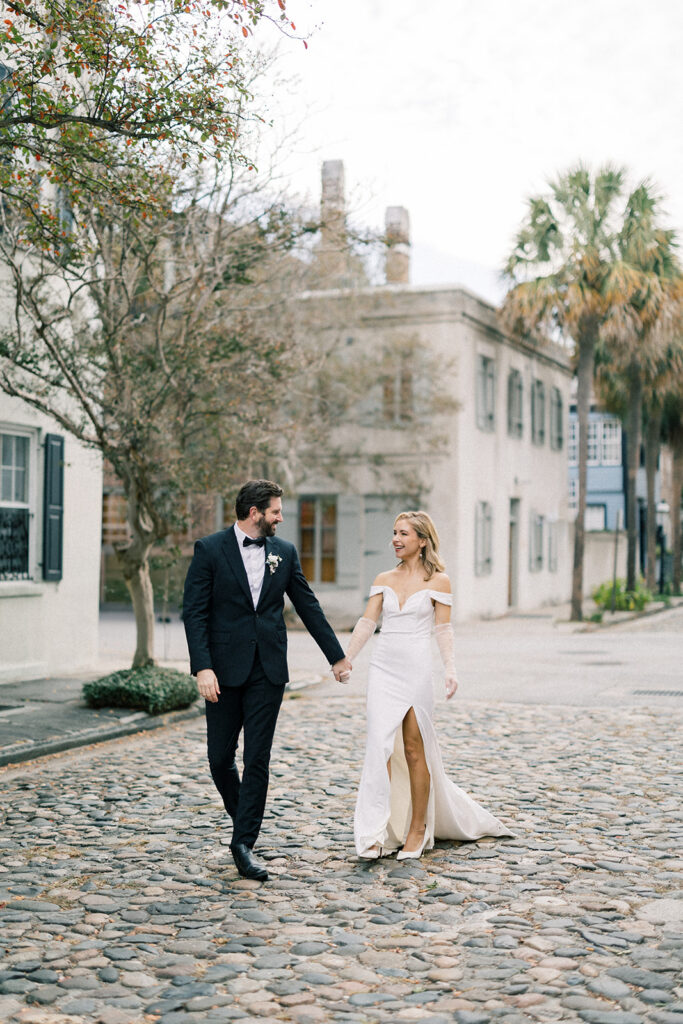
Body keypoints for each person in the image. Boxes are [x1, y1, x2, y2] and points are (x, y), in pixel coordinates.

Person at [183, 479, 351, 881]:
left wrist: (337, 656)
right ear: (255, 512)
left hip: (268, 670)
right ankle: (244, 814)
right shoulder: (210, 549)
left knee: (257, 757)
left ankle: (243, 842)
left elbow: (307, 605)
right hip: (222, 671)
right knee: (219, 758)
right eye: (275, 511)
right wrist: (203, 667)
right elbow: (195, 612)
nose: (281, 517)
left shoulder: (284, 552)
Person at [344, 510, 512, 860]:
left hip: (416, 669)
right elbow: (366, 623)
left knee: (413, 748)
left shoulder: (439, 581)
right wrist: (346, 659)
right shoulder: (383, 578)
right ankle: (376, 831)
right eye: (394, 532)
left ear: (422, 540)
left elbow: (443, 629)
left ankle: (417, 830)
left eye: (403, 533)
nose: (395, 539)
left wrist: (450, 669)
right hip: (383, 667)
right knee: (379, 748)